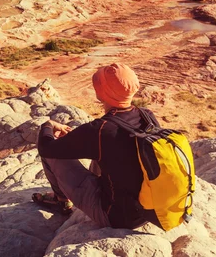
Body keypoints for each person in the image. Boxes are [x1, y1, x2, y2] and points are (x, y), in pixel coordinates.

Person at [33, 63, 158, 229]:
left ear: (101, 93)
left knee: (52, 155)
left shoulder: (101, 130)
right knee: (104, 156)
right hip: (149, 210)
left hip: (115, 217)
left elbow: (46, 148)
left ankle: (61, 201)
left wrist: (47, 126)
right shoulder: (147, 116)